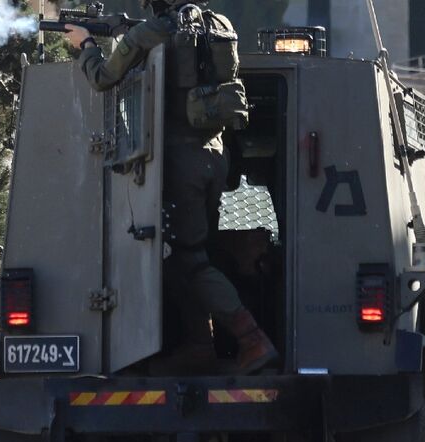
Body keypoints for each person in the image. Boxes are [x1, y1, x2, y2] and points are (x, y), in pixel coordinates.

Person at [63, 0, 276, 375]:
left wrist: (85, 46)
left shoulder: (154, 32)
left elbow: (102, 78)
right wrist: (121, 30)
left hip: (181, 165)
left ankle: (251, 339)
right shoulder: (218, 24)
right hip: (214, 156)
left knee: (189, 260)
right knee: (189, 256)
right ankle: (200, 344)